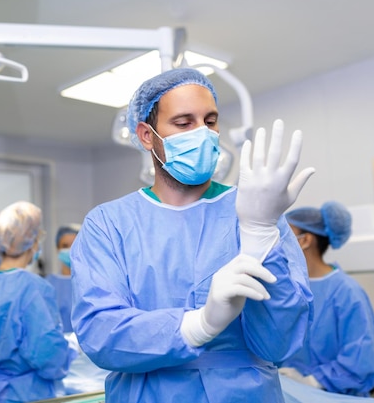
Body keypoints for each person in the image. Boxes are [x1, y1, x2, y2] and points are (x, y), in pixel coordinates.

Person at [70, 67, 316, 402]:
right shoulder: (108, 224)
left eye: (210, 121)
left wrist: (261, 234)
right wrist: (198, 324)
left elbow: (280, 344)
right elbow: (100, 335)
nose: (202, 133)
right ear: (146, 136)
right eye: (184, 123)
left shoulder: (255, 211)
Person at [0, 201, 76, 403]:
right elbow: (48, 357)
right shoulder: (32, 288)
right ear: (33, 243)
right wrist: (70, 351)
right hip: (25, 395)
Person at [279, 201, 374, 397]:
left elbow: (361, 362)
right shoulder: (286, 287)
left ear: (305, 240)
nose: (277, 241)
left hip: (335, 396)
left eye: (284, 233)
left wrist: (312, 380)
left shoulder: (346, 291)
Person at [46, 223, 81, 333]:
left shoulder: (93, 283)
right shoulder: (48, 284)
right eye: (65, 246)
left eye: (74, 244)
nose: (70, 250)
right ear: (57, 249)